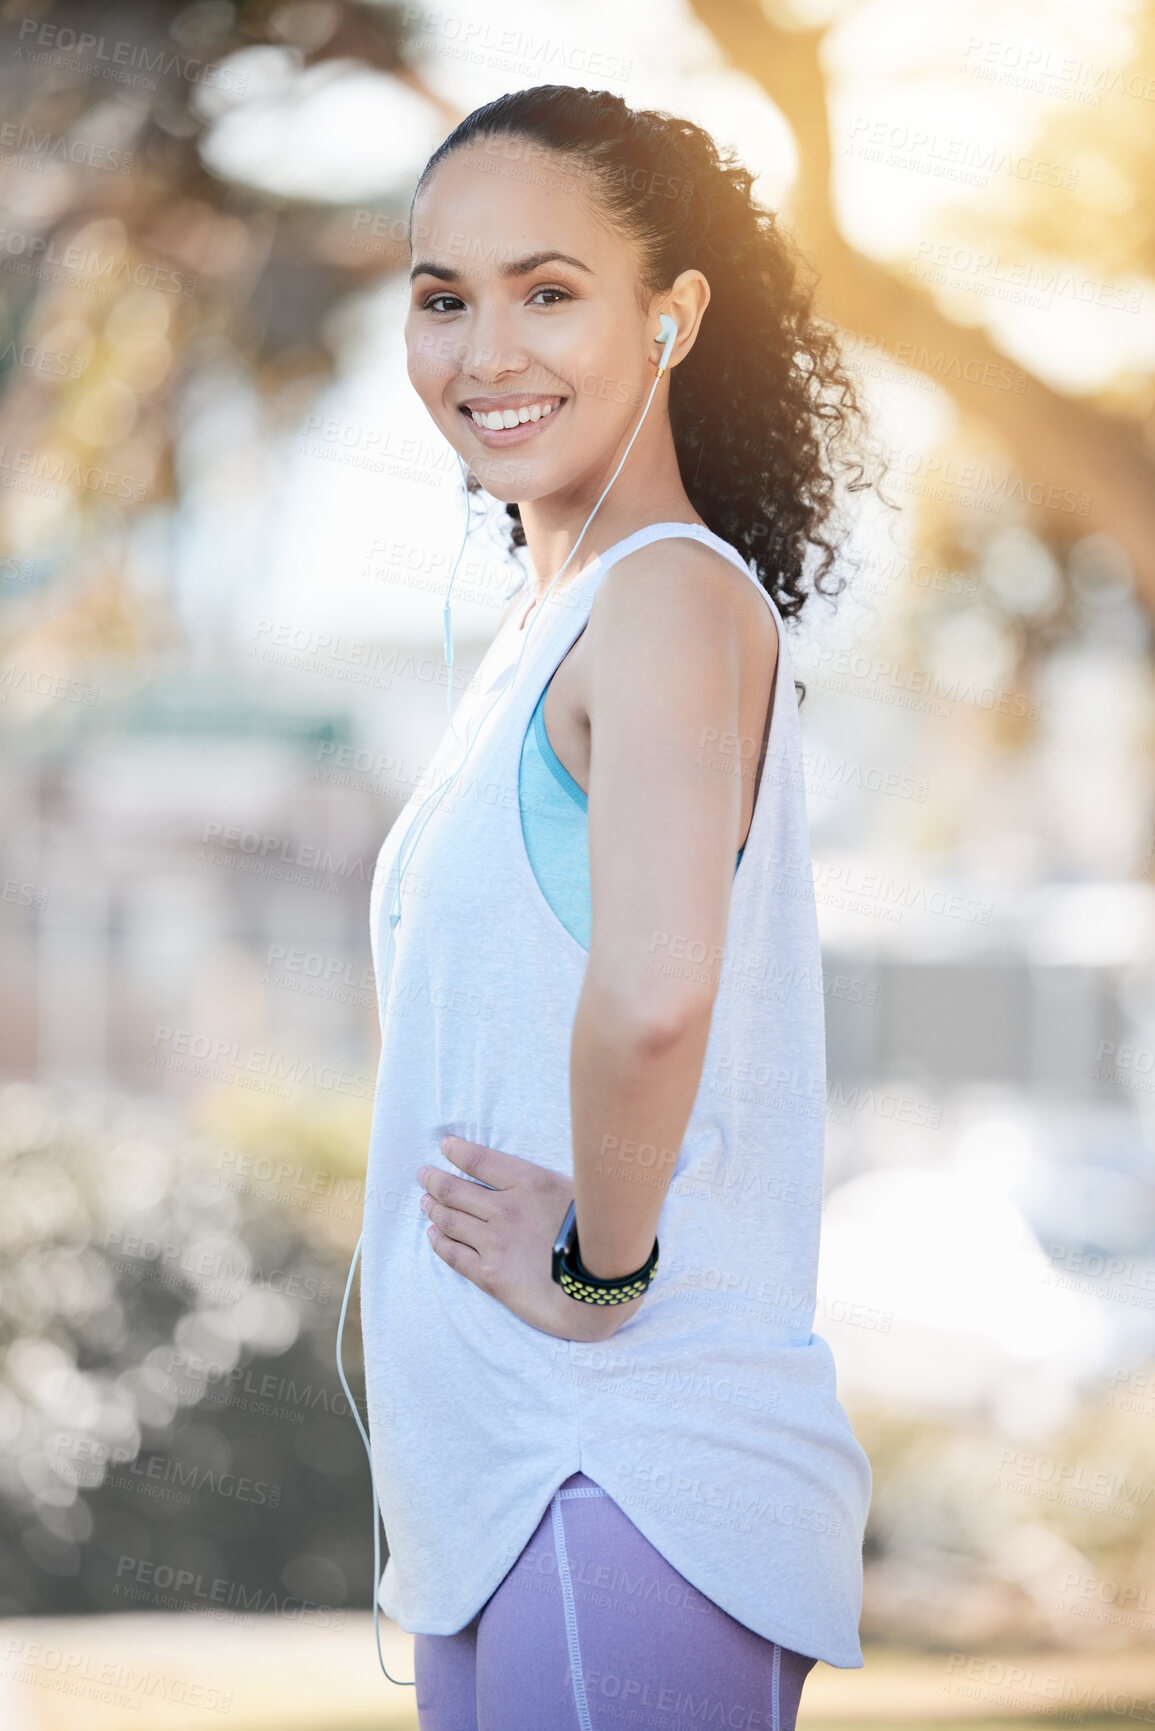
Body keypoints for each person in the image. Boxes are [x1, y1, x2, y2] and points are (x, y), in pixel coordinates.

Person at [358, 83, 883, 1731]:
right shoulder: (566, 621)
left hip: (614, 1475)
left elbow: (656, 995)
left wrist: (599, 1267)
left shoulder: (660, 595)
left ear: (672, 315)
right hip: (523, 1495)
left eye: (549, 289)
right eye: (444, 299)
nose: (486, 350)